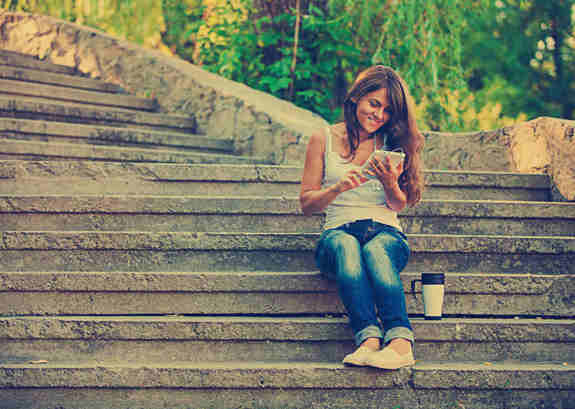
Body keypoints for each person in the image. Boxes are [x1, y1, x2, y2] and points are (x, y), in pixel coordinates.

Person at [299, 65, 425, 369]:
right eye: (374, 104)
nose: (379, 115)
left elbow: (399, 205)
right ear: (357, 97)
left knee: (375, 248)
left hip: (385, 233)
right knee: (347, 245)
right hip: (337, 235)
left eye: (387, 110)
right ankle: (368, 338)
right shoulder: (323, 139)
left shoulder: (392, 143)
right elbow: (306, 204)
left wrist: (390, 183)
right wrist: (339, 187)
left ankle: (399, 342)